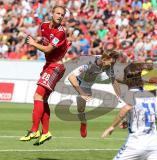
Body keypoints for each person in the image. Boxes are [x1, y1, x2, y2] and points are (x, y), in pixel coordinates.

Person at [20, 5, 69, 146]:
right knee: (43, 99)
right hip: (48, 65)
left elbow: (47, 49)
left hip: (56, 67)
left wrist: (34, 43)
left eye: (62, 14)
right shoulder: (44, 26)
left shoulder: (61, 32)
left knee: (37, 96)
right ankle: (46, 132)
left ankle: (34, 130)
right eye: (58, 13)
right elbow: (46, 48)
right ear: (52, 13)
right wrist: (39, 42)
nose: (60, 16)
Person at [102, 62, 157, 160]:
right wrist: (128, 121)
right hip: (154, 144)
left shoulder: (131, 94)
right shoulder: (150, 95)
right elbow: (152, 116)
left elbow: (126, 108)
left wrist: (111, 127)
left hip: (136, 144)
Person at [68, 49, 122, 138]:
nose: (112, 65)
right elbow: (71, 77)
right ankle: (84, 122)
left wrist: (118, 95)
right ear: (104, 60)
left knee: (80, 109)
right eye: (111, 63)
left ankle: (83, 122)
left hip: (89, 83)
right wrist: (81, 93)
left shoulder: (108, 65)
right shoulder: (89, 62)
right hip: (79, 80)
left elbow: (113, 81)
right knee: (81, 106)